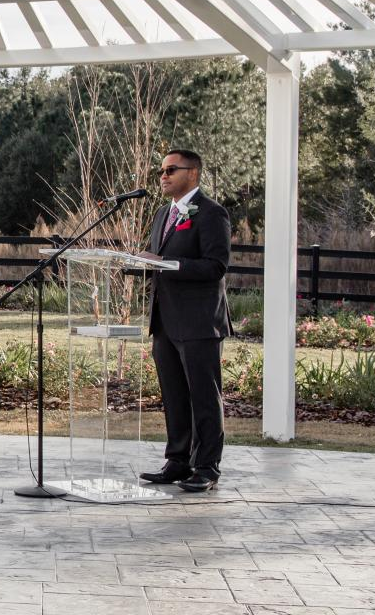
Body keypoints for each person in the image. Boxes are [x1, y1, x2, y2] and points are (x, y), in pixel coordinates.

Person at [138, 149, 232, 493]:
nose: (163, 175)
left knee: (204, 397)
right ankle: (178, 460)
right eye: (161, 170)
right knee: (174, 394)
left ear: (192, 173)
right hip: (164, 321)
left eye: (171, 169)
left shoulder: (212, 213)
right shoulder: (164, 214)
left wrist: (166, 262)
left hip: (198, 322)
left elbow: (215, 266)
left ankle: (206, 466)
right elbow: (161, 263)